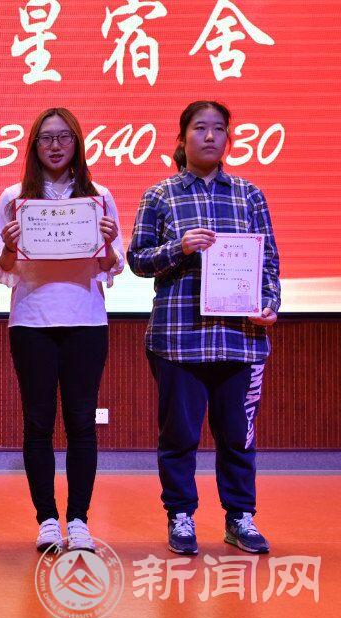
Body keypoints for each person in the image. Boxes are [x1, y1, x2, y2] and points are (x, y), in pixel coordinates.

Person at [128, 100, 280, 555]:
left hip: (241, 339)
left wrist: (269, 305)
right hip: (179, 339)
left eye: (219, 128)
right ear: (182, 138)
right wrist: (178, 247)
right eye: (200, 128)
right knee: (179, 437)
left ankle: (240, 517)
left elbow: (269, 262)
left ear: (228, 138)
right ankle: (180, 516)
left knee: (237, 438)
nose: (210, 136)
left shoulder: (250, 195)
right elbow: (137, 260)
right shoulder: (159, 195)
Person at [0, 107, 123, 553]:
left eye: (64, 137)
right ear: (34, 146)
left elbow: (111, 265)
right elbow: (3, 267)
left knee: (82, 423)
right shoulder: (14, 198)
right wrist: (11, 246)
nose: (55, 145)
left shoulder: (99, 197)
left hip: (86, 321)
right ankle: (47, 519)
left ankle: (79, 520)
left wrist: (107, 242)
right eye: (46, 138)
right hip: (32, 322)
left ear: (77, 143)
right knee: (38, 424)